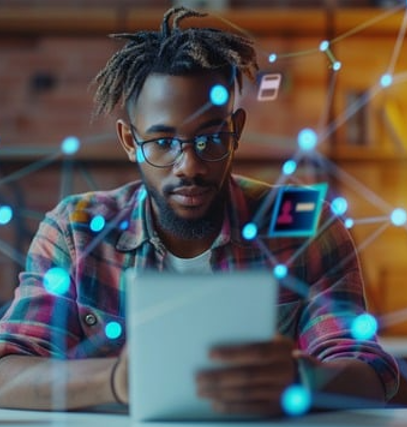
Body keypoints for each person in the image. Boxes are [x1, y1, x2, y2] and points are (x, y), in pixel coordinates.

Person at [0, 6, 399, 415]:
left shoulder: (306, 225)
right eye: (163, 142)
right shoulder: (75, 230)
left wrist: (302, 380)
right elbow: (7, 371)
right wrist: (116, 380)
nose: (188, 166)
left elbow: (371, 374)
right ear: (128, 141)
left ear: (237, 130)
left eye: (210, 138)